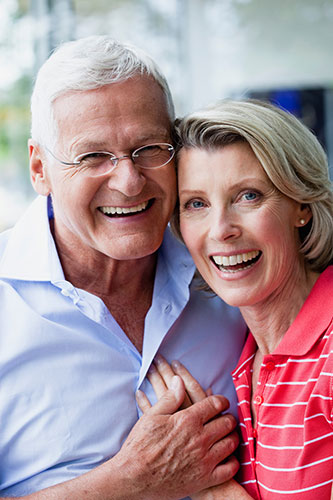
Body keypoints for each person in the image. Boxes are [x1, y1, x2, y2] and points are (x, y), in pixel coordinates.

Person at [0, 36, 247, 499]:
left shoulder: (232, 276)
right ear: (39, 169)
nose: (129, 181)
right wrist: (132, 480)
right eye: (93, 156)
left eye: (149, 148)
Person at [138, 99, 333, 499]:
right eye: (197, 204)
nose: (221, 229)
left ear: (301, 205)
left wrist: (219, 491)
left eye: (248, 196)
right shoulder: (243, 357)